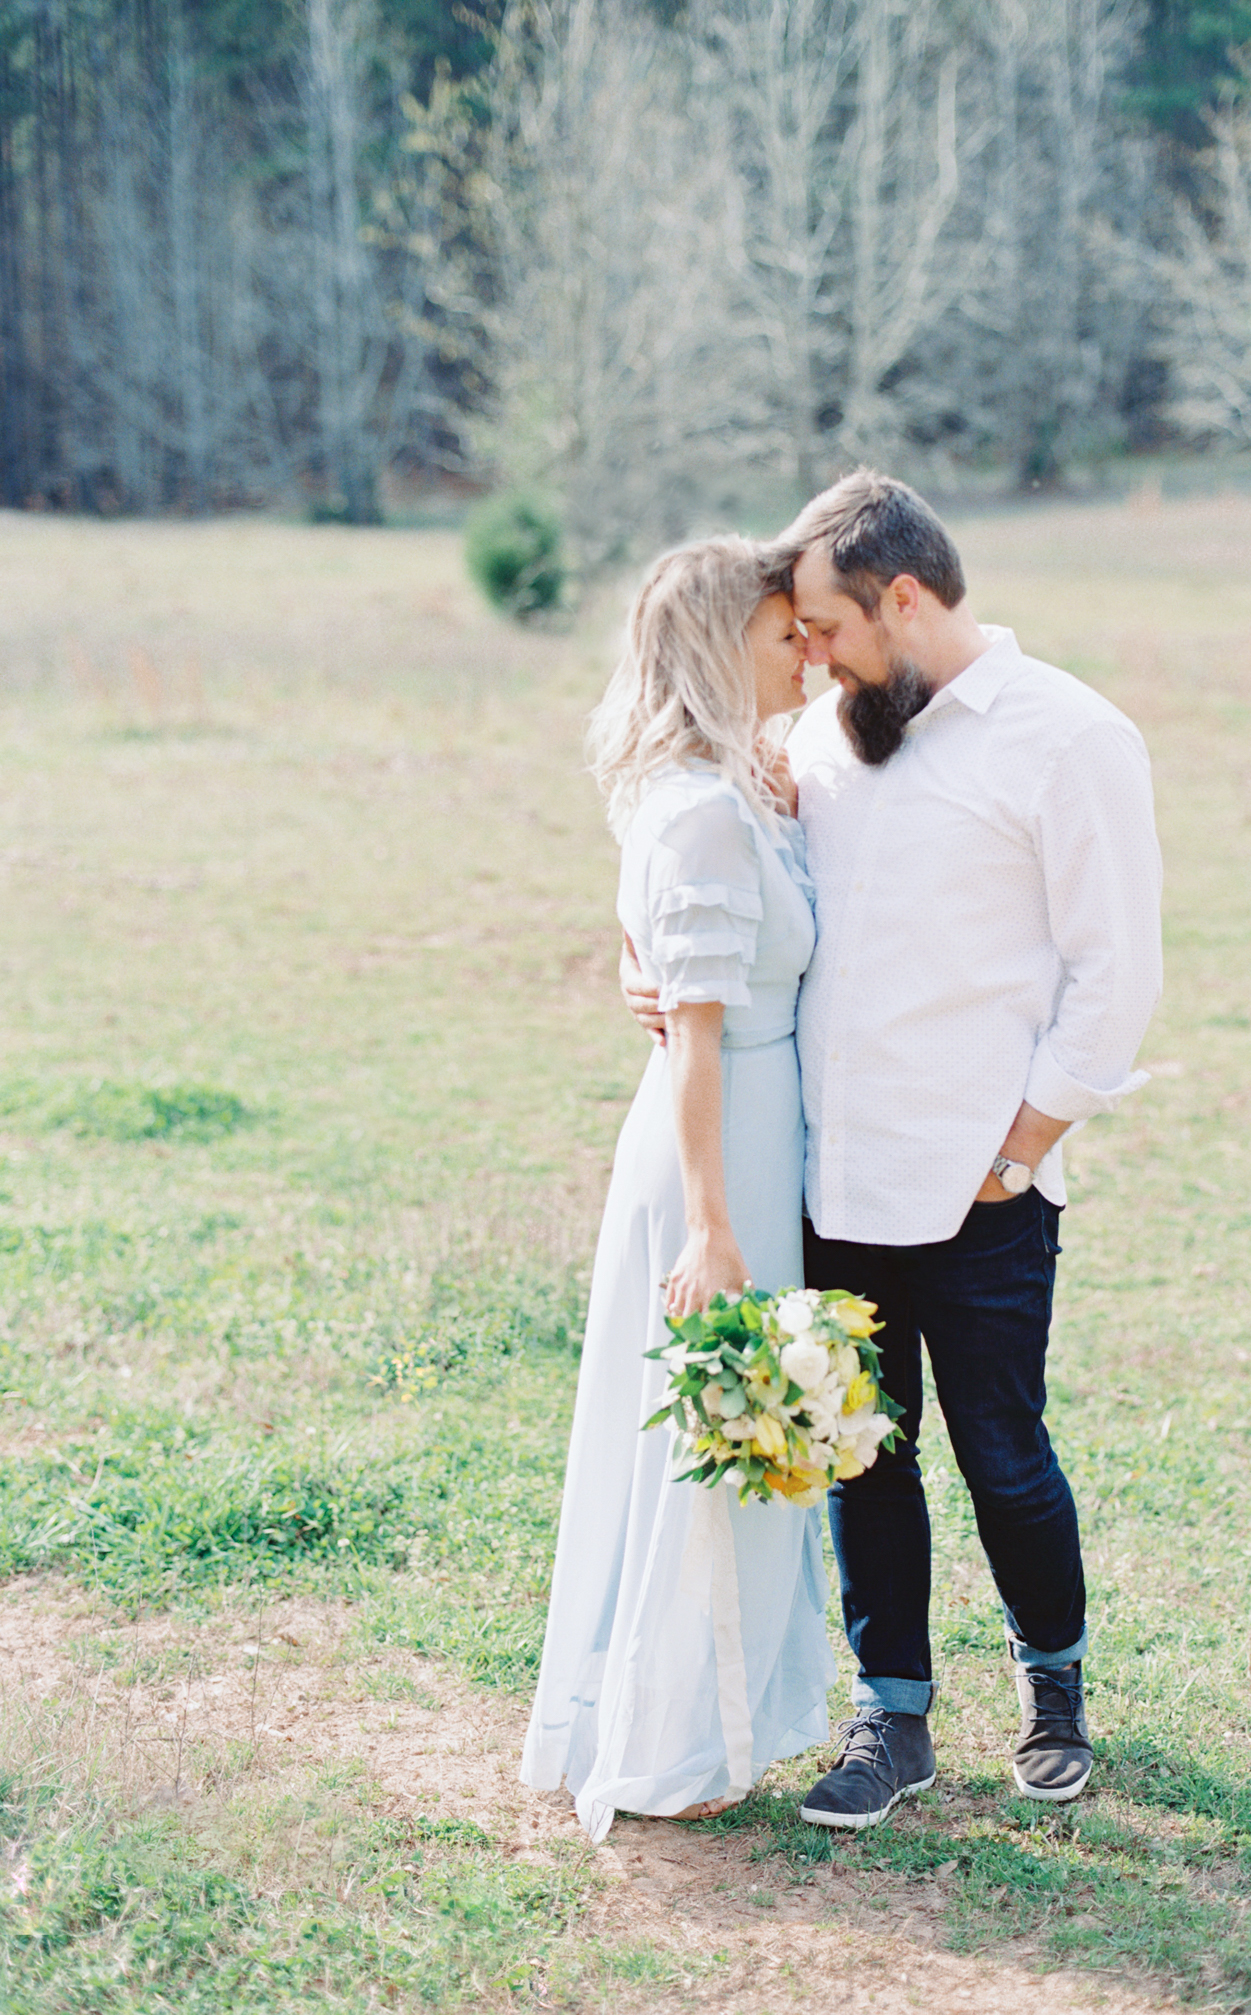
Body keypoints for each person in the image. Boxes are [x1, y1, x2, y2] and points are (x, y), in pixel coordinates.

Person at [624, 472, 1163, 1825]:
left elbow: (1118, 970)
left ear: (903, 599)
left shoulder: (1070, 737)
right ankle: (893, 1716)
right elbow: (721, 891)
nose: (807, 656)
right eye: (796, 636)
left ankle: (1055, 1690)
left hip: (984, 1182)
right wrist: (653, 974)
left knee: (1004, 1453)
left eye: (826, 628)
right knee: (864, 1453)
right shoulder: (811, 742)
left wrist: (1025, 1144)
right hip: (831, 1175)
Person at [520, 537, 836, 1843]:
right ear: (720, 651)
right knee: (714, 1433)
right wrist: (714, 1225)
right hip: (721, 1147)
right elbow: (697, 1035)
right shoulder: (702, 809)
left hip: (753, 1127)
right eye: (782, 638)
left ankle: (708, 1713)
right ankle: (674, 1735)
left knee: (722, 1431)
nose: (808, 655)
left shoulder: (724, 786)